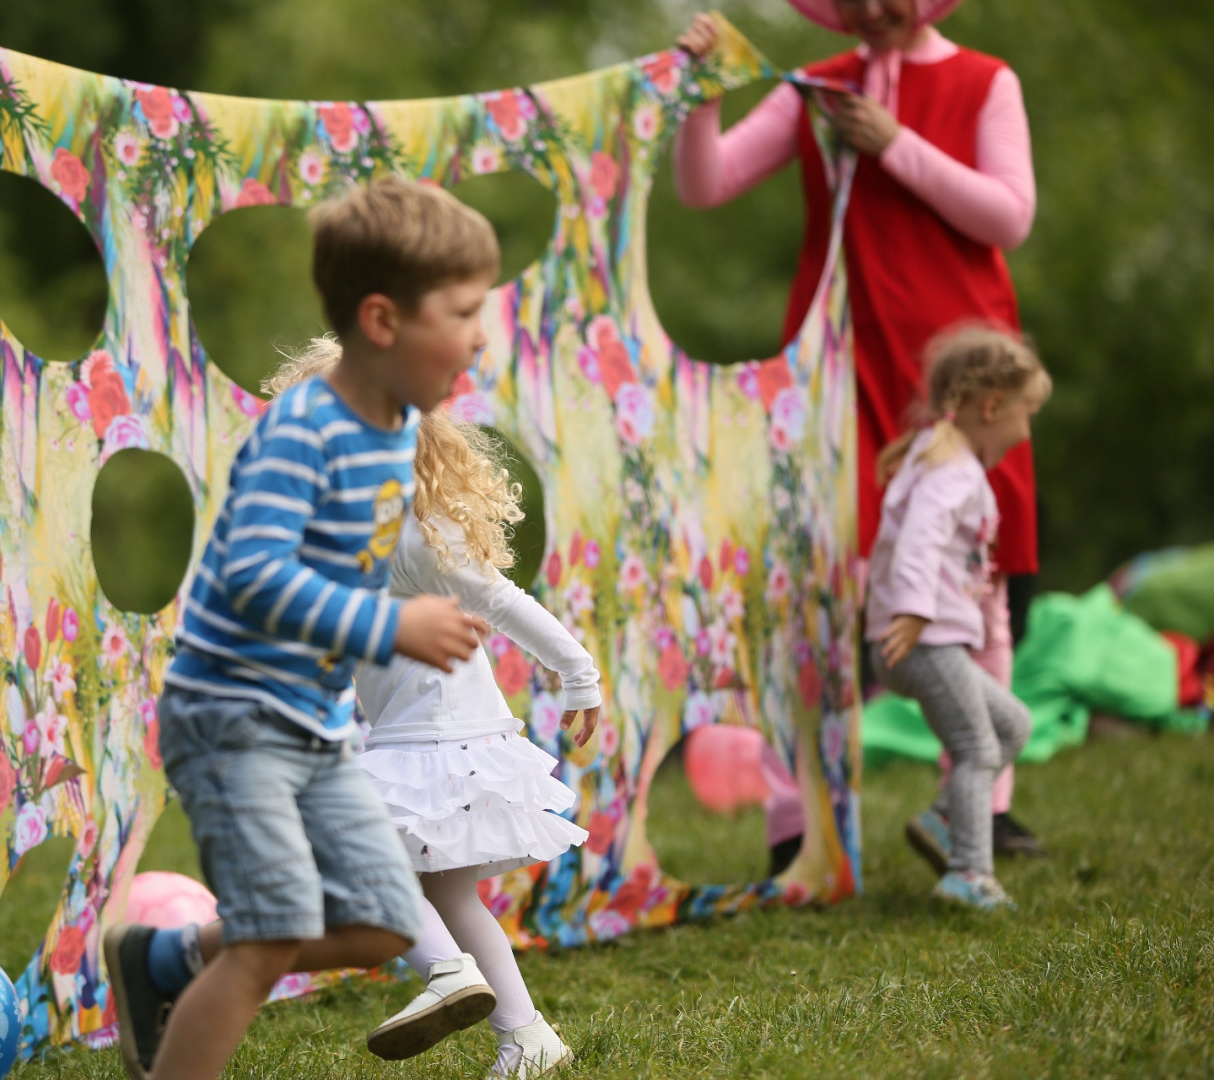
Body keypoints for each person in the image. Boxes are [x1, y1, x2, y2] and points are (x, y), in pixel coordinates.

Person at [100, 177, 501, 1080]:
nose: (481, 335)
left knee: (384, 920)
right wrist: (387, 625)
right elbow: (253, 573)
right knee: (272, 934)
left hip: (316, 726)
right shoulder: (305, 429)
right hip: (232, 713)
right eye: (465, 311)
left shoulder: (398, 429)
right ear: (384, 320)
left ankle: (157, 960)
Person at [676, 0, 1045, 863]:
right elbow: (707, 183)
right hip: (835, 369)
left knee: (978, 581)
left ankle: (981, 805)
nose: (873, 11)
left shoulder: (985, 82)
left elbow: (1009, 217)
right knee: (817, 587)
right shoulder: (820, 89)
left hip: (965, 377)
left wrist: (896, 146)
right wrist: (701, 96)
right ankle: (795, 820)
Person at [259, 341, 600, 1078]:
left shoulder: (419, 533)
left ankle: (447, 974)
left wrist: (578, 674)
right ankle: (529, 1037)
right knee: (448, 893)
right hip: (411, 735)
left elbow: (502, 602)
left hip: (443, 737)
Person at [866, 326, 1047, 909]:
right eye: (1027, 413)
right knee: (976, 747)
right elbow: (920, 539)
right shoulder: (953, 470)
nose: (1026, 429)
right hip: (922, 640)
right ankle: (969, 872)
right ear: (991, 407)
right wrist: (916, 611)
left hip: (924, 640)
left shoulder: (939, 452)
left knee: (1012, 725)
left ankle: (947, 819)